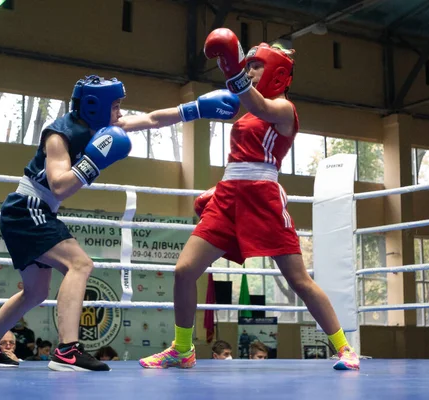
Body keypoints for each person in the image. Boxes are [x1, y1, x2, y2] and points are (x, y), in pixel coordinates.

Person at [0, 74, 240, 372]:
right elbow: (59, 186)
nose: (120, 112)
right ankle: (68, 351)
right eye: (116, 106)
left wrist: (195, 110)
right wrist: (93, 162)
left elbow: (151, 119)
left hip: (35, 211)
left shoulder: (103, 127)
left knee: (35, 292)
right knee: (80, 265)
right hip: (28, 208)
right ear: (96, 106)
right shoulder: (58, 136)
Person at [139, 28, 360, 371]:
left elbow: (257, 102)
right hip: (229, 196)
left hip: (263, 198)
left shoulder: (284, 110)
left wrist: (231, 68)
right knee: (184, 270)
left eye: (256, 66)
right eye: (248, 66)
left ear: (277, 74)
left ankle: (345, 348)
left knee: (299, 280)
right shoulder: (246, 111)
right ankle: (182, 349)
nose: (250, 71)